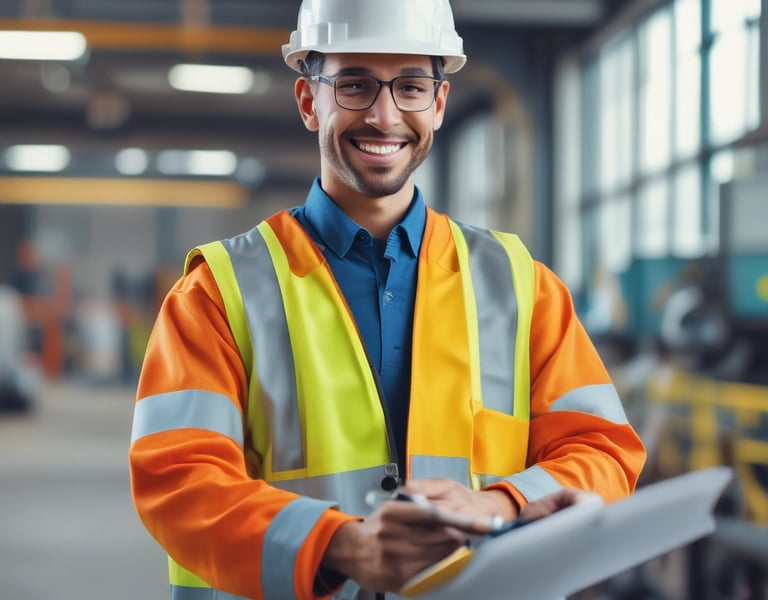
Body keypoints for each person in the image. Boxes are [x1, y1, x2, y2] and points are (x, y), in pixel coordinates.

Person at [128, 1, 646, 598]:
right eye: (354, 85)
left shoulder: (521, 284)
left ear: (439, 104)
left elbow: (602, 449)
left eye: (410, 86)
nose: (384, 114)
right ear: (307, 100)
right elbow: (179, 480)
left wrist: (500, 503)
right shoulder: (218, 292)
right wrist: (339, 546)